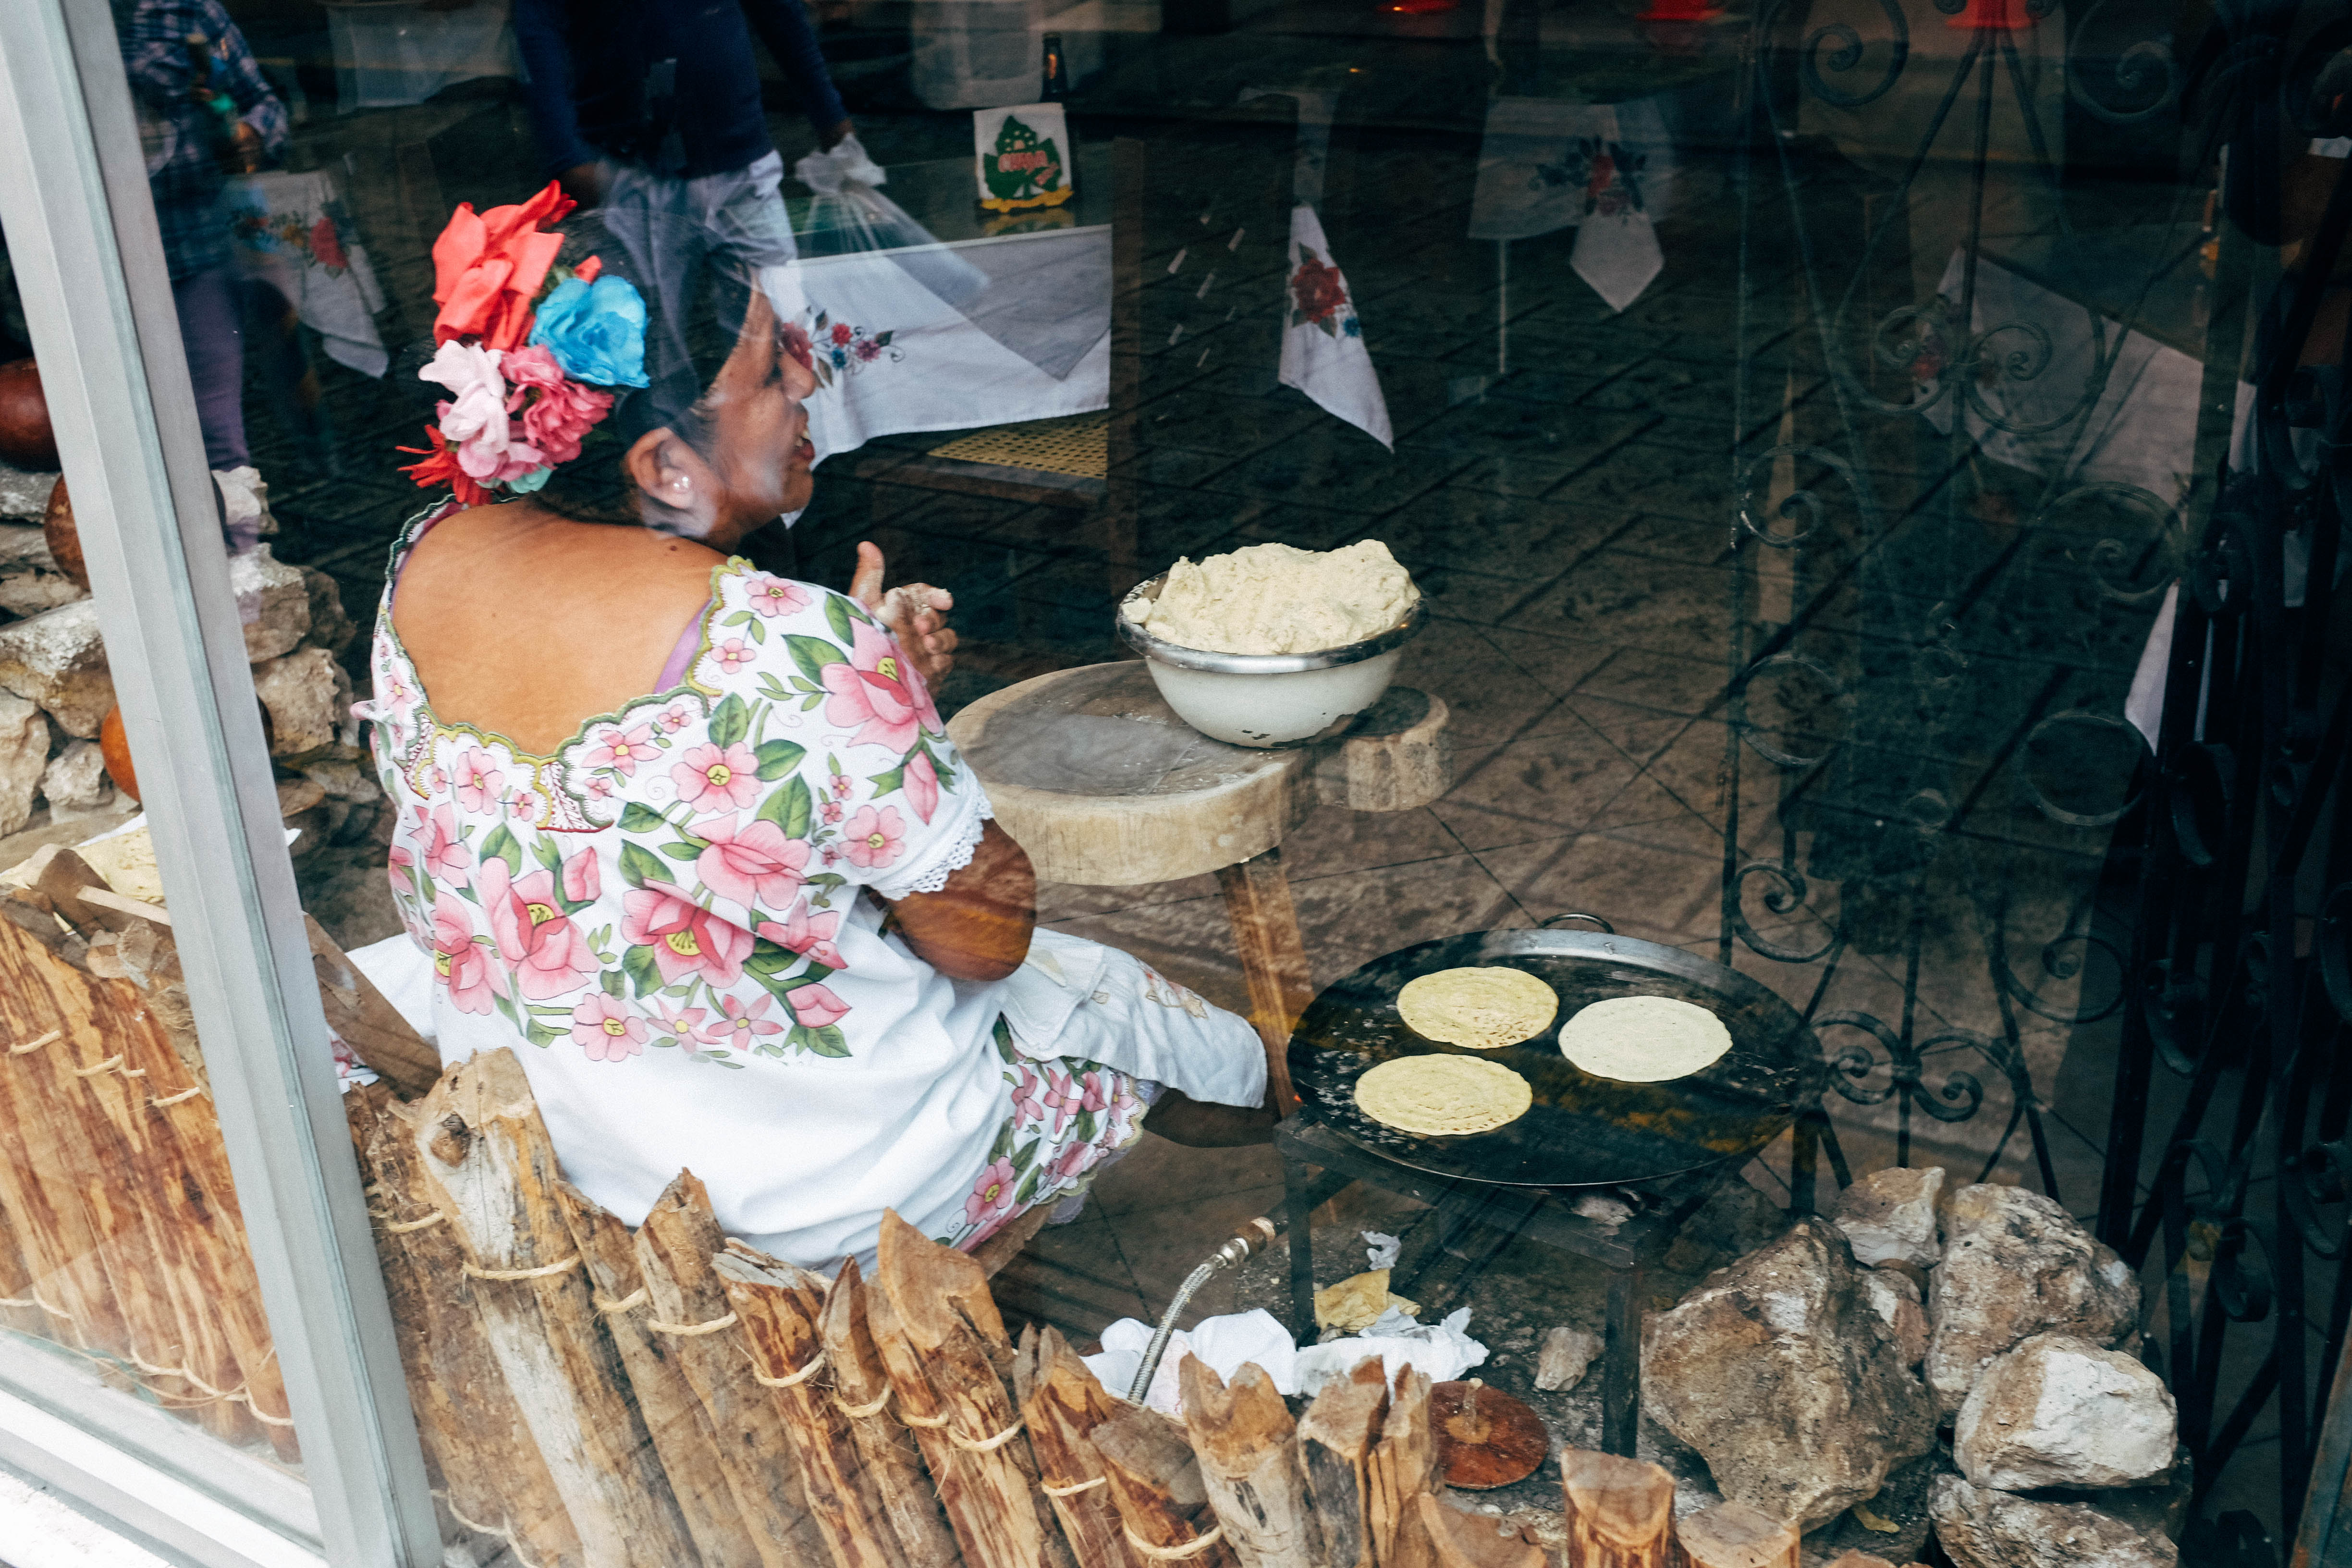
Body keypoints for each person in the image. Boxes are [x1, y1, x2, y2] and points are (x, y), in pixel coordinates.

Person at [352, 195, 1272, 1268]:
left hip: (570, 1136)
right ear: (663, 467)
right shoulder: (790, 643)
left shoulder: (428, 555)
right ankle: (1298, 1154)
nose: (810, 381)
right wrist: (874, 697)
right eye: (770, 372)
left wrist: (869, 706)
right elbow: (986, 942)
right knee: (1155, 1027)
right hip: (809, 1189)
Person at [116, 0, 289, 472]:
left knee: (218, 435)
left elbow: (264, 105)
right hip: (87, 269)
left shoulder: (185, 8)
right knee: (115, 438)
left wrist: (249, 134)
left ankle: (232, 521)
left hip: (193, 249)